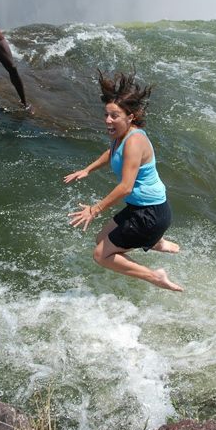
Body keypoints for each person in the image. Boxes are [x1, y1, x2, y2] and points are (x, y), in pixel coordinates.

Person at [65, 71, 183, 292]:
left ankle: (155, 276)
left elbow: (126, 186)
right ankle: (155, 242)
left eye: (114, 116)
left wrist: (95, 209)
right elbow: (112, 153)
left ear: (131, 117)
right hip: (142, 208)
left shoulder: (135, 141)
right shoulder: (121, 137)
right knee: (101, 238)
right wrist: (88, 169)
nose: (108, 120)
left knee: (101, 255)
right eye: (107, 115)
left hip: (151, 214)